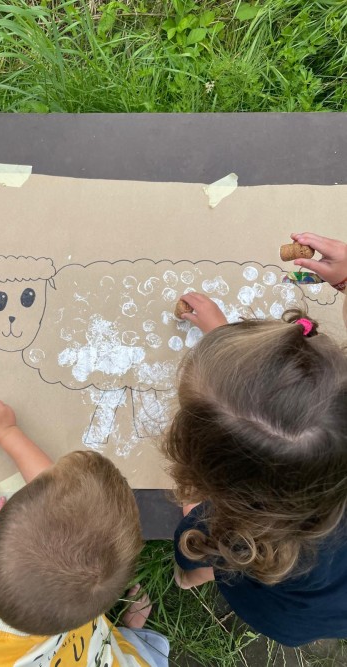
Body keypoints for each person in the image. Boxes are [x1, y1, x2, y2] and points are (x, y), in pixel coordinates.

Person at [164, 232, 347, 647]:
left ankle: (189, 583)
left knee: (199, 562)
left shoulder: (225, 535)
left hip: (293, 607)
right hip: (335, 600)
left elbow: (196, 545)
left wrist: (197, 519)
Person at [0, 399, 169, 667]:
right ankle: (132, 636)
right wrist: (7, 432)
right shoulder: (78, 599)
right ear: (98, 609)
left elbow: (60, 498)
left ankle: (128, 636)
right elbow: (62, 502)